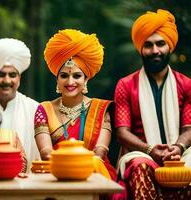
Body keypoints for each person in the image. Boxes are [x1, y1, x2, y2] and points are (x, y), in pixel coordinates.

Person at [114, 9, 191, 199]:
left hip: (181, 153)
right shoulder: (126, 85)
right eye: (148, 45)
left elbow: (189, 128)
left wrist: (178, 147)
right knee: (140, 165)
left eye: (160, 44)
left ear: (170, 47)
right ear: (140, 48)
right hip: (142, 154)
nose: (155, 50)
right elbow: (122, 132)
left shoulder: (186, 84)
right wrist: (150, 150)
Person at [35, 29, 117, 180]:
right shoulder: (44, 109)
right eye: (64, 76)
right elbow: (46, 153)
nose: (70, 82)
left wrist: (82, 169)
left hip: (95, 174)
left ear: (86, 79)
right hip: (57, 174)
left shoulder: (100, 109)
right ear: (57, 79)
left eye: (77, 76)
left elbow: (100, 152)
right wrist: (68, 169)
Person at [0, 38, 40, 172]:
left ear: (19, 78)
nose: (7, 81)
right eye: (1, 74)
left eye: (12, 75)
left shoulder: (34, 109)